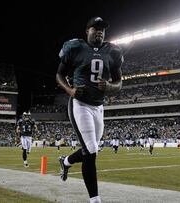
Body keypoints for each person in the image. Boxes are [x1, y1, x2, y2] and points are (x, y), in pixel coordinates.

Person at [56, 16, 123, 203]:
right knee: (91, 150)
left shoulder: (113, 51)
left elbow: (119, 82)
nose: (99, 31)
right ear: (87, 31)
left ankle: (66, 161)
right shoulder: (76, 47)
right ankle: (95, 200)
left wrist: (110, 87)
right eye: (95, 28)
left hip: (99, 106)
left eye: (102, 28)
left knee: (91, 150)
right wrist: (70, 90)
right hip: (80, 104)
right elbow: (59, 74)